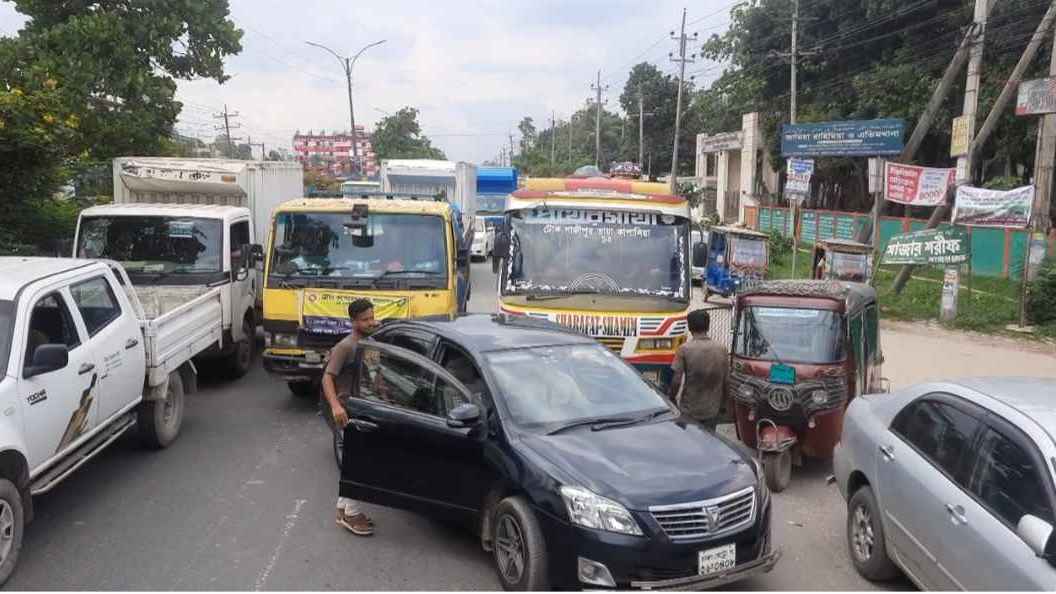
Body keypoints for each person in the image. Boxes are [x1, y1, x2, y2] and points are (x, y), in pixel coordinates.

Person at [322, 298, 380, 536]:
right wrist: (336, 406)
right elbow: (327, 378)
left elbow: (375, 373)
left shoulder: (371, 342)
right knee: (360, 464)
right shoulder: (345, 347)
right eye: (365, 319)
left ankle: (344, 509)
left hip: (367, 407)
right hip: (350, 409)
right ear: (353, 321)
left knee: (357, 460)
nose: (370, 322)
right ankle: (352, 514)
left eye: (371, 317)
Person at [669, 309, 728, 431]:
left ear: (690, 327)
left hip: (689, 410)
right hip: (712, 410)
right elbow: (727, 381)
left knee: (690, 442)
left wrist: (672, 398)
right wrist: (724, 405)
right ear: (708, 326)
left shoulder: (684, 349)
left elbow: (676, 380)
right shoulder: (722, 349)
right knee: (708, 441)